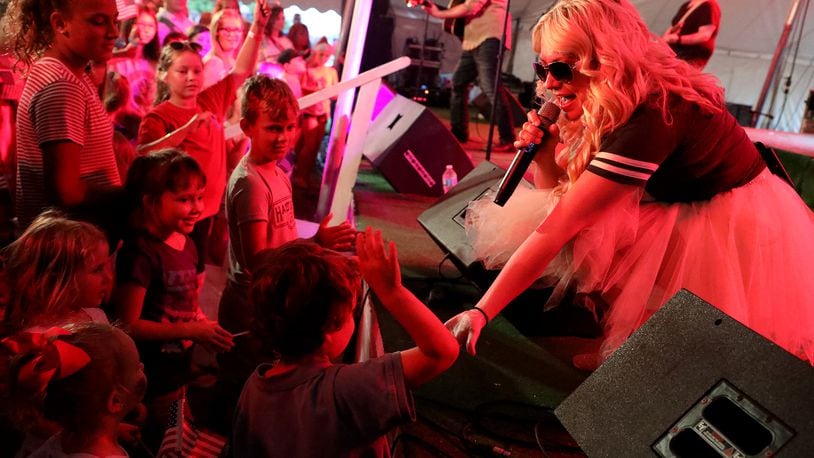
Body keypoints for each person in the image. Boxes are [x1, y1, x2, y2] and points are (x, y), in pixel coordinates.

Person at [450, 0, 814, 370]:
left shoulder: (652, 116)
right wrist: (545, 156)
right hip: (680, 195)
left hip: (735, 218)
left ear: (606, 61)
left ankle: (644, 358)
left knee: (590, 234)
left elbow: (559, 225)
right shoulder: (614, 97)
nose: (548, 83)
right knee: (592, 228)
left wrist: (482, 311)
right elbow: (559, 195)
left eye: (561, 68)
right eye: (541, 67)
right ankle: (629, 348)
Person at [232, 232, 459, 457]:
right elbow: (442, 352)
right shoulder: (345, 390)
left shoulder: (253, 387)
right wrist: (392, 292)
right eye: (351, 311)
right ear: (330, 328)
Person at [213, 75, 355, 433]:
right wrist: (316, 245)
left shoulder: (277, 173)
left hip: (270, 300)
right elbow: (257, 260)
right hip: (249, 306)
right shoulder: (249, 183)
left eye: (290, 128)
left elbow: (283, 235)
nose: (284, 137)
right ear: (247, 126)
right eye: (274, 128)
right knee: (243, 385)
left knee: (263, 381)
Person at [111, 150, 234, 451]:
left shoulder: (189, 244)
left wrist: (202, 326)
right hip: (149, 373)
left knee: (173, 427)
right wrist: (190, 331)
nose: (196, 208)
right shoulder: (141, 254)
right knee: (155, 436)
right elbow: (127, 324)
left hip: (179, 366)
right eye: (184, 199)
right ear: (150, 202)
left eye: (199, 197)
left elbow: (186, 304)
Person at [137, 0, 270, 267]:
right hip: (172, 218)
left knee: (195, 275)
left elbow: (240, 72)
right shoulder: (158, 116)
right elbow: (145, 156)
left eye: (196, 71)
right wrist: (187, 130)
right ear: (164, 75)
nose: (192, 77)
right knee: (168, 275)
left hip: (204, 212)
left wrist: (257, 27)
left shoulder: (208, 102)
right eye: (182, 71)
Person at [7, 0, 123, 239]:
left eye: (115, 20)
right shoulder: (62, 87)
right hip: (70, 255)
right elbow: (66, 193)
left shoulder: (69, 75)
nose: (114, 32)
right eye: (99, 22)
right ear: (60, 23)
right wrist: (131, 196)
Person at [1, 323, 147, 457]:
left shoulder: (61, 441)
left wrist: (116, 429)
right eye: (137, 367)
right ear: (115, 401)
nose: (142, 367)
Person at [422, 0, 516, 151]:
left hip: (490, 35)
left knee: (490, 87)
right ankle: (459, 134)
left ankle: (508, 139)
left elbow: (472, 7)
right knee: (458, 83)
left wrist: (438, 13)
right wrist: (430, 5)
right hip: (472, 39)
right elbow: (461, 8)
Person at [2, 211, 113, 335]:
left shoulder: (96, 316)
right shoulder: (37, 339)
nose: (108, 278)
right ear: (57, 277)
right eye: (97, 269)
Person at [292, 41, 338, 189]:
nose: (324, 57)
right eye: (322, 54)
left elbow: (335, 94)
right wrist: (318, 90)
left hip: (323, 111)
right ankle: (299, 175)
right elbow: (301, 88)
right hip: (310, 111)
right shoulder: (308, 70)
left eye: (327, 55)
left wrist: (326, 91)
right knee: (309, 145)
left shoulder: (331, 71)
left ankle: (305, 175)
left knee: (316, 146)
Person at [109, 5, 161, 117]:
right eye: (142, 24)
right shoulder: (116, 60)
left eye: (151, 26)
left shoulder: (156, 63)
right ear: (130, 25)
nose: (147, 30)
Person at [662, 0, 721, 70]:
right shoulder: (686, 5)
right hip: (673, 55)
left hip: (690, 57)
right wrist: (664, 39)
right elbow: (673, 26)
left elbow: (705, 35)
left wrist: (678, 39)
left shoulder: (709, 6)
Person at [203, 7, 244, 88]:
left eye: (236, 30)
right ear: (216, 32)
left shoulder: (233, 61)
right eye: (227, 29)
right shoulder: (214, 63)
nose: (232, 34)